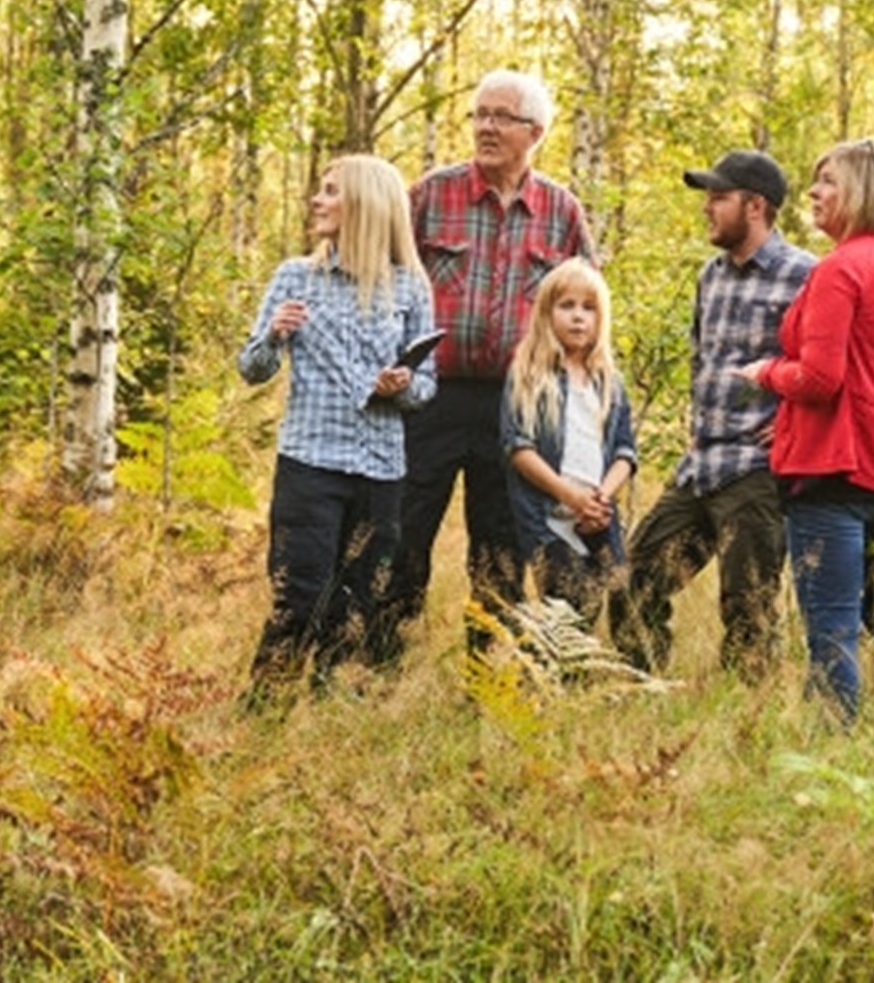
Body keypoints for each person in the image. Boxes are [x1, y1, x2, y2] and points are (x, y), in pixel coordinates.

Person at [377, 70, 594, 655]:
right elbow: (381, 284)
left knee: (500, 543)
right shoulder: (429, 195)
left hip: (515, 403)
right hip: (431, 393)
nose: (486, 127)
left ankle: (488, 668)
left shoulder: (561, 211)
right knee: (405, 525)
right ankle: (377, 660)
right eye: (479, 115)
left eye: (501, 116)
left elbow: (588, 308)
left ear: (536, 132)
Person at [739, 137, 874, 725]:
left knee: (830, 624)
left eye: (827, 180)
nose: (813, 192)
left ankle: (832, 748)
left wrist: (766, 373)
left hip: (833, 475)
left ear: (859, 190)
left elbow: (821, 378)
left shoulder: (841, 269)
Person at [608, 150, 815, 683]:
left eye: (718, 198)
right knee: (634, 580)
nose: (707, 208)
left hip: (757, 471)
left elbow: (831, 368)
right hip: (702, 463)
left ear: (755, 207)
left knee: (748, 608)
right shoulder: (710, 275)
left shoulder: (806, 275)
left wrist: (794, 419)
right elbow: (703, 356)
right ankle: (643, 689)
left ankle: (746, 723)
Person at [236, 154, 437, 698]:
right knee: (298, 595)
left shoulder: (411, 287)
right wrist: (273, 335)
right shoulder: (294, 277)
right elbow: (252, 370)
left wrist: (402, 385)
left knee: (355, 605)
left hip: (380, 471)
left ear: (366, 206)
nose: (317, 200)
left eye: (330, 191)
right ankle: (263, 718)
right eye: (319, 191)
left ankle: (329, 723)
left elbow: (426, 387)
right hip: (310, 466)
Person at [501, 259, 638, 623]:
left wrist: (600, 499)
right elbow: (518, 448)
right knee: (567, 604)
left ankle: (624, 675)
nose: (579, 317)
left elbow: (625, 451)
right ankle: (549, 678)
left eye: (588, 308)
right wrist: (570, 496)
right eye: (567, 306)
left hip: (596, 515)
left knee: (620, 596)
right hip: (548, 518)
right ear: (546, 314)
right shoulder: (529, 376)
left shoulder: (608, 380)